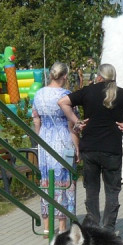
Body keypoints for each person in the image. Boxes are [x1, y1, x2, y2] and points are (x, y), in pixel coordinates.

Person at [58, 63, 123, 231]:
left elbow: (63, 102)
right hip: (112, 149)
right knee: (112, 191)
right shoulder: (122, 94)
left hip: (90, 149)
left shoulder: (88, 91)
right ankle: (108, 229)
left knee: (92, 190)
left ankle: (92, 226)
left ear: (99, 76)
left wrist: (76, 121)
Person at [32, 62, 78, 234]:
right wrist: (77, 146)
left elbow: (36, 120)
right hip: (62, 140)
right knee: (64, 181)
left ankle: (46, 225)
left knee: (46, 181)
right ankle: (62, 225)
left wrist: (39, 139)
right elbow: (72, 124)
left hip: (44, 139)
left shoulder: (39, 94)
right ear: (64, 76)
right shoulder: (66, 95)